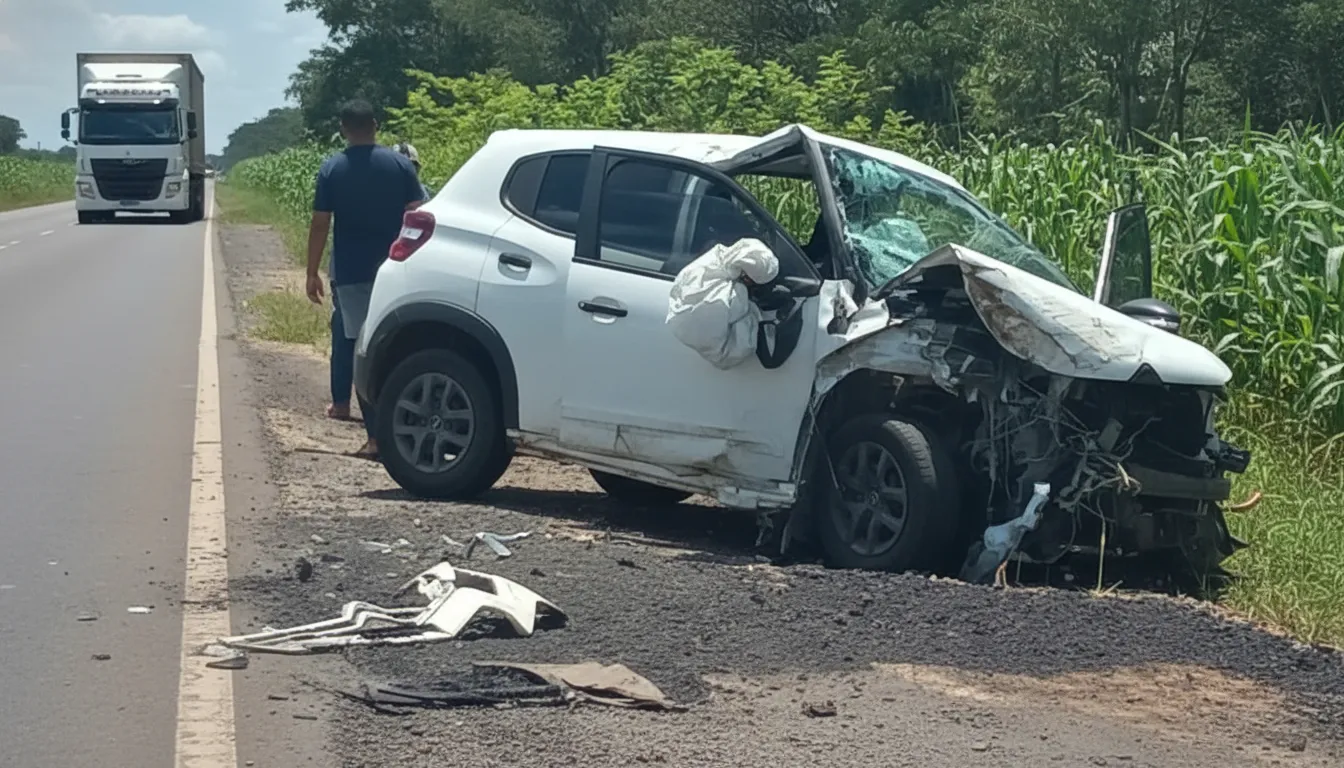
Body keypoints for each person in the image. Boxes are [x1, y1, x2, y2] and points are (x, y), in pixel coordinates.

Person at [306, 99, 428, 460]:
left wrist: (311, 271)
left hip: (352, 272)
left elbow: (320, 223)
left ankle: (375, 437)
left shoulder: (332, 169)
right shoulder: (401, 165)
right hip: (398, 269)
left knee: (362, 348)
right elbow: (417, 215)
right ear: (375, 125)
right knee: (399, 346)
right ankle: (403, 426)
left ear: (343, 128)